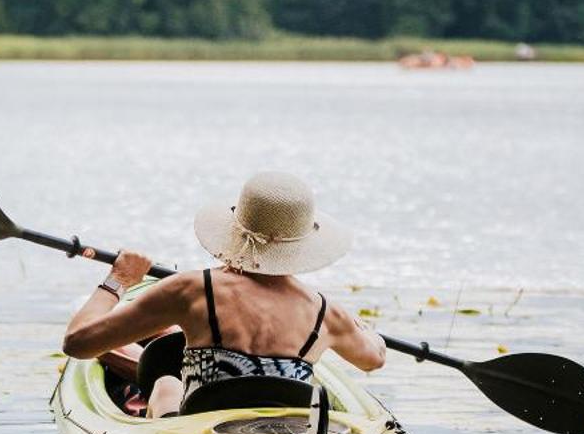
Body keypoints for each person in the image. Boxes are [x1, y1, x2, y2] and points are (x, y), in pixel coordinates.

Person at [61, 171, 385, 417]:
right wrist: (360, 327)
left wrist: (118, 279)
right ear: (302, 244)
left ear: (234, 230)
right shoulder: (327, 313)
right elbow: (374, 359)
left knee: (166, 385)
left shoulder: (191, 290)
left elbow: (77, 343)